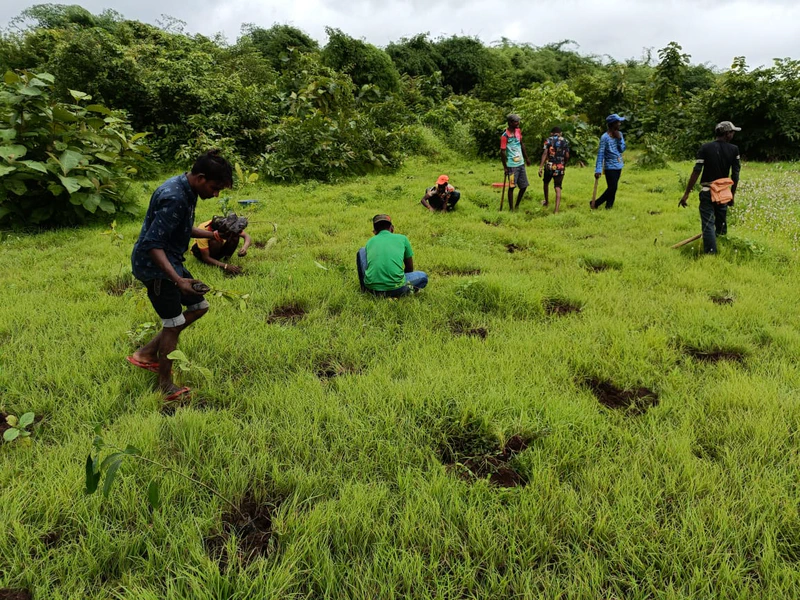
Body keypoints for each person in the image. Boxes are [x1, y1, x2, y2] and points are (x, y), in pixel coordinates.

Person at [127, 150, 233, 400]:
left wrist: (213, 236)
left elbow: (182, 228)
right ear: (200, 177)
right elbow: (152, 244)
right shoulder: (175, 196)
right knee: (173, 324)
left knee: (199, 306)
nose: (216, 194)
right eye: (215, 187)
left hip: (171, 260)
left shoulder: (186, 188)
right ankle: (165, 386)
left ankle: (145, 354)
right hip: (156, 266)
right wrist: (177, 280)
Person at [679, 121, 742, 254]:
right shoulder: (734, 149)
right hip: (723, 193)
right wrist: (732, 195)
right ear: (726, 134)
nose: (733, 134)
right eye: (732, 132)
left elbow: (696, 171)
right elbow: (735, 175)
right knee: (721, 223)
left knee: (708, 225)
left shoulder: (705, 148)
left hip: (707, 191)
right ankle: (722, 244)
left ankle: (711, 253)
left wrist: (686, 194)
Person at [356, 214, 428, 297]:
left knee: (362, 250)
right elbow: (409, 268)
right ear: (392, 228)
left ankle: (364, 289)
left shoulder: (370, 241)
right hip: (397, 288)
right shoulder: (403, 238)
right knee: (423, 277)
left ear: (374, 232)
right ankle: (403, 292)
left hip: (372, 290)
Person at [591, 114, 627, 210]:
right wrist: (598, 169)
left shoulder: (620, 134)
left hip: (619, 165)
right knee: (612, 187)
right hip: (609, 166)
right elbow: (601, 154)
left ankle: (609, 207)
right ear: (613, 124)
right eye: (618, 122)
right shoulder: (604, 137)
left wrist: (619, 139)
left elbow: (622, 149)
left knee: (613, 188)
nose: (619, 124)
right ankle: (596, 203)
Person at [500, 114, 530, 211]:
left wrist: (526, 158)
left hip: (521, 164)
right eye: (515, 121)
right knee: (512, 186)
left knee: (524, 186)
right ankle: (511, 208)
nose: (518, 123)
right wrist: (505, 167)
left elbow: (521, 144)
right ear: (510, 123)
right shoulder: (505, 136)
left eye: (518, 121)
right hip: (512, 166)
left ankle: (517, 205)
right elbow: (503, 152)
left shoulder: (518, 131)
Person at [538, 126, 570, 213]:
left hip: (549, 166)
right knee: (558, 187)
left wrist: (540, 167)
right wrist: (564, 164)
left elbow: (545, 153)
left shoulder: (548, 140)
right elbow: (567, 155)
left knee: (546, 183)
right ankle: (556, 210)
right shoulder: (565, 141)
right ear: (560, 133)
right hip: (560, 166)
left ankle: (546, 202)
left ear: (551, 133)